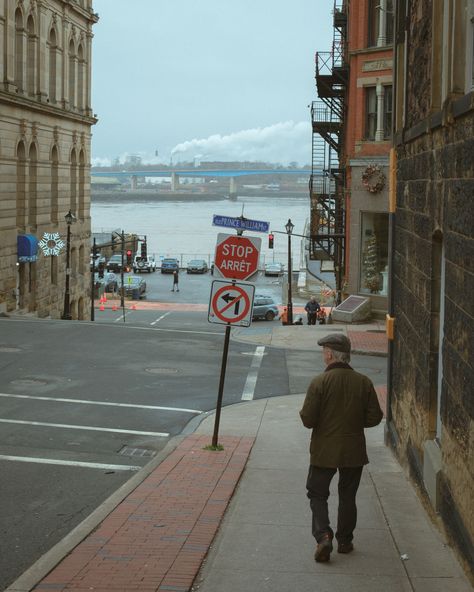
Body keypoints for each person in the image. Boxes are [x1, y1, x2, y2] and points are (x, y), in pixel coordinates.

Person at [299, 333, 383, 563]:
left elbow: (308, 419)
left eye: (323, 351)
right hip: (353, 450)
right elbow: (375, 417)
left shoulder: (319, 382)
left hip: (324, 450)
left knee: (317, 493)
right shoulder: (364, 382)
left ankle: (324, 536)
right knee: (348, 496)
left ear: (329, 354)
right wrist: (355, 423)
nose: (323, 355)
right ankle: (345, 541)